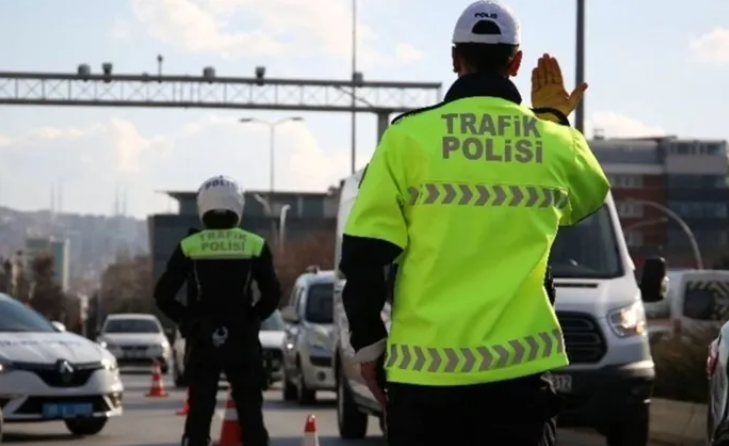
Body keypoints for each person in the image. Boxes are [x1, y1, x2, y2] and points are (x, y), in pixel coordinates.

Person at [338, 1, 609, 445]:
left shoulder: (406, 138)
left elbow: (364, 253)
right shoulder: (555, 142)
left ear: (454, 58)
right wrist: (553, 120)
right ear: (516, 63)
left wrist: (369, 346)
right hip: (519, 381)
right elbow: (589, 198)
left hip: (423, 382)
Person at [154, 175, 281, 446]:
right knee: (250, 411)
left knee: (199, 412)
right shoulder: (255, 244)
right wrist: (253, 318)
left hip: (202, 337)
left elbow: (162, 295)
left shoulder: (189, 246)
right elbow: (272, 295)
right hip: (242, 338)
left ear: (203, 205)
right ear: (238, 205)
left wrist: (187, 320)